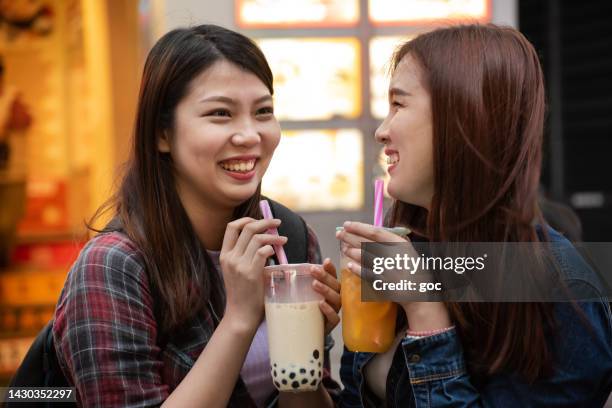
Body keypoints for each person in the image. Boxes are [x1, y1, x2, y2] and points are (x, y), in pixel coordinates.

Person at [52, 24, 340, 407]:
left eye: (263, 111)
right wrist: (239, 318)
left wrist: (300, 358)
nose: (250, 135)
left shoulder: (288, 237)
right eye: (221, 113)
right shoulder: (112, 268)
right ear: (162, 134)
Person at [336, 24, 612, 407]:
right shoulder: (409, 254)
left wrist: (423, 308)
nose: (382, 131)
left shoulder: (564, 296)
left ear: (464, 118)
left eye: (398, 105)